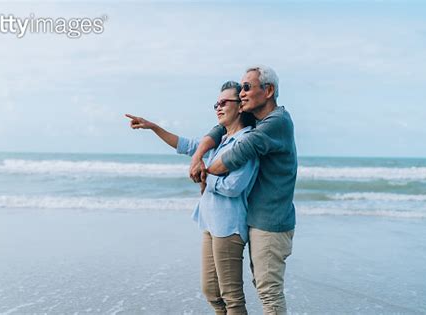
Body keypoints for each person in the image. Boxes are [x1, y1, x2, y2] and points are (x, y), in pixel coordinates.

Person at [125, 81, 259, 315]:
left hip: (228, 227)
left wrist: (206, 175)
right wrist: (154, 127)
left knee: (232, 297)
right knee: (211, 292)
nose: (218, 107)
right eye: (216, 103)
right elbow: (186, 145)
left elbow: (235, 186)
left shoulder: (246, 142)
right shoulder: (221, 141)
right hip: (210, 223)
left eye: (224, 102)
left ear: (240, 107)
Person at [188, 66, 297, 315]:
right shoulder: (260, 122)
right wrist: (199, 153)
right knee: (254, 289)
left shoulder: (275, 123)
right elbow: (219, 130)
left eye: (247, 87)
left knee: (269, 293)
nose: (242, 92)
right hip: (255, 219)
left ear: (268, 91)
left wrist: (204, 171)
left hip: (271, 221)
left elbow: (237, 154)